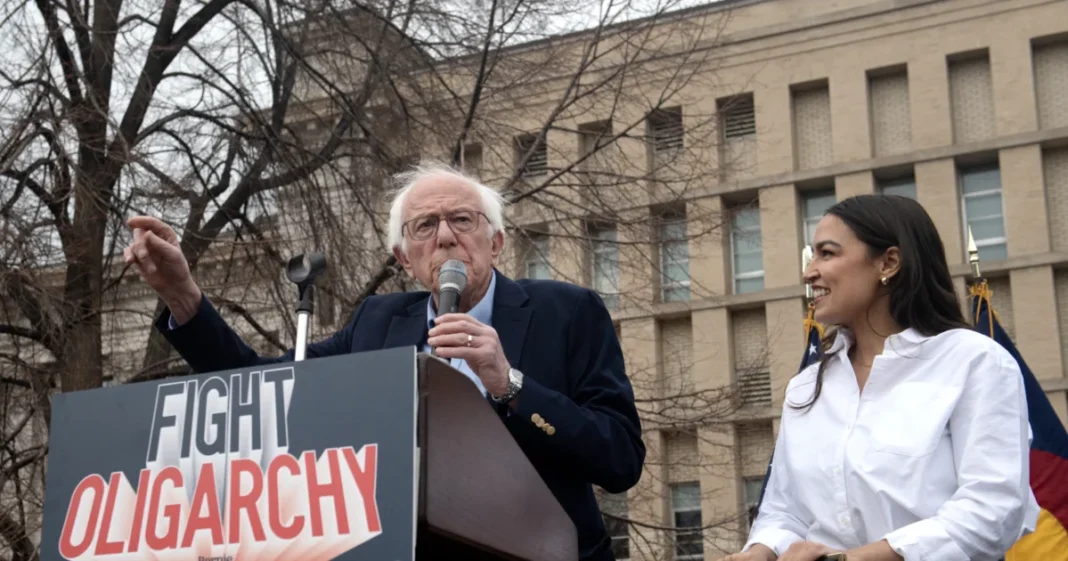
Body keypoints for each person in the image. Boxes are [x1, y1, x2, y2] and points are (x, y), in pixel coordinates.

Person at [123, 161, 646, 561]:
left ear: (497, 241)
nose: (445, 236)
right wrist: (184, 298)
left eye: (462, 220)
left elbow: (619, 459)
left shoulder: (569, 312)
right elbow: (266, 391)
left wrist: (508, 383)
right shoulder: (377, 322)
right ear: (404, 258)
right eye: (424, 227)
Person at [717, 194, 1035, 561]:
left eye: (828, 253)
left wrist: (854, 559)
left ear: (889, 262)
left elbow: (991, 509)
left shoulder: (973, 363)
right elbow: (784, 510)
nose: (808, 272)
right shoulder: (807, 386)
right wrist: (760, 551)